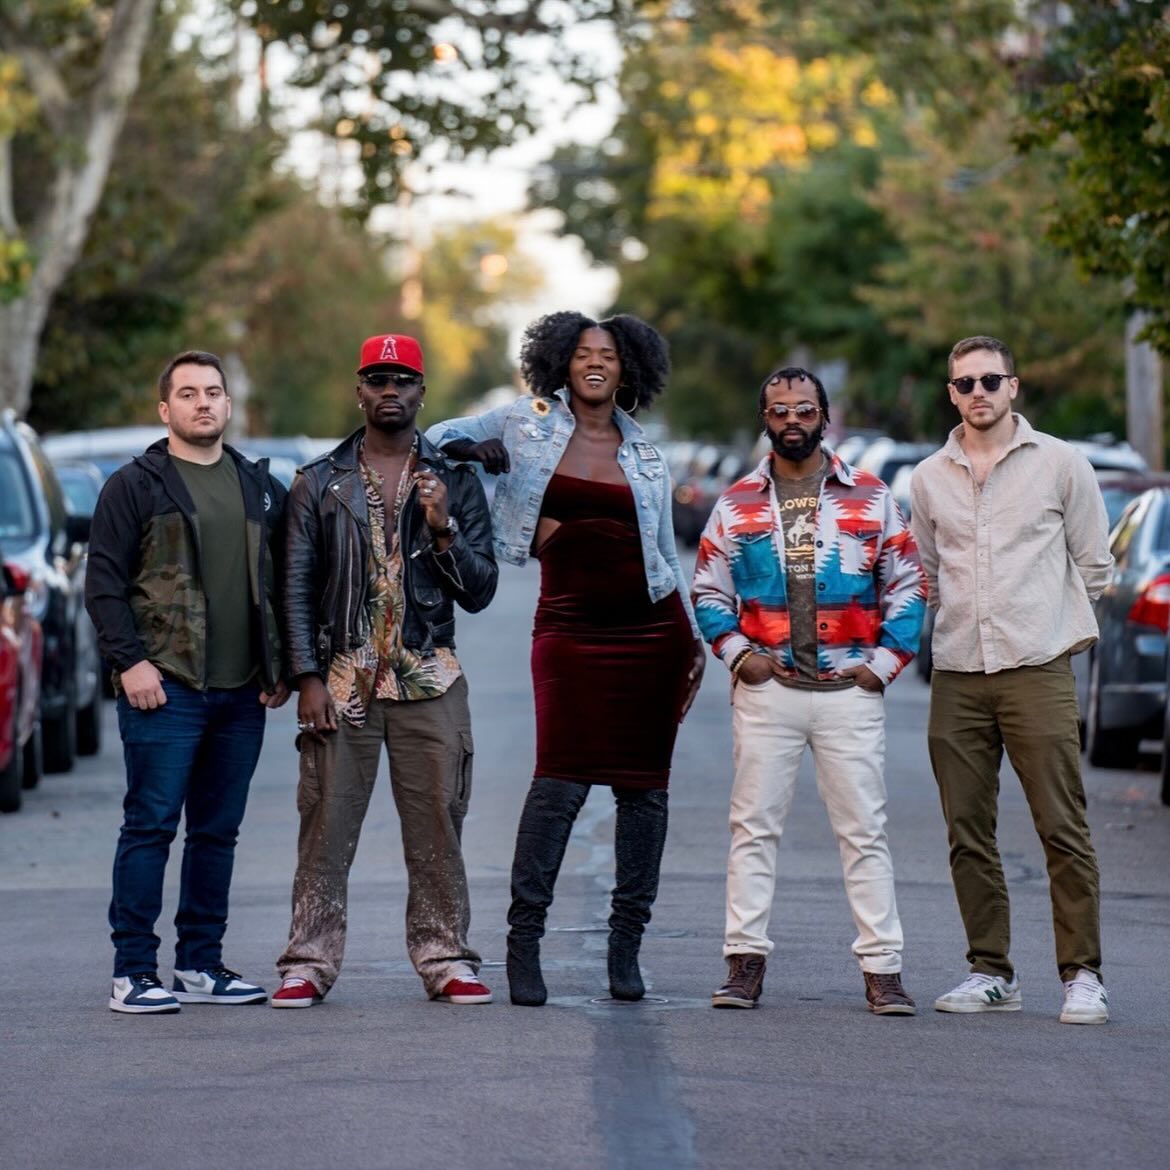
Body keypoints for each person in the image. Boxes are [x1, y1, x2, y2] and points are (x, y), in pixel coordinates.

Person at [427, 310, 704, 1006]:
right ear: (563, 362)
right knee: (559, 783)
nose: (595, 363)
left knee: (644, 793)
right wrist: (475, 455)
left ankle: (626, 949)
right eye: (583, 352)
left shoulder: (644, 450)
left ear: (626, 367)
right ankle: (525, 943)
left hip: (652, 631)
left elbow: (664, 552)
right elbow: (433, 441)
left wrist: (691, 635)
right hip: (570, 628)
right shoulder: (527, 422)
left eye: (608, 354)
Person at [271, 333, 498, 1009]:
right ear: (359, 390)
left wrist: (443, 528)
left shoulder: (455, 480)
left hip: (429, 674)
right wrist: (307, 677)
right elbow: (295, 586)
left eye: (403, 380)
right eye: (377, 379)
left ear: (423, 393)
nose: (390, 391)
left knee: (437, 823)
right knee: (325, 824)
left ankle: (445, 956)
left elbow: (480, 591)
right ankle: (307, 961)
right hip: (344, 679)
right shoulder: (317, 481)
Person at [691, 366, 926, 1014]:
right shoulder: (736, 504)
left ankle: (883, 971)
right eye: (779, 411)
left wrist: (882, 665)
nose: (792, 421)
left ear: (825, 415)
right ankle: (743, 965)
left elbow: (908, 583)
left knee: (864, 831)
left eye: (804, 409)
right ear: (765, 419)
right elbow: (709, 588)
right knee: (753, 830)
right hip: (769, 690)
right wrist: (740, 655)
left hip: (850, 689)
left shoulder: (873, 498)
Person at [910, 335, 1114, 1024]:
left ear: (1014, 387)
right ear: (951, 394)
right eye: (965, 384)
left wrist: (1053, 632)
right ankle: (990, 971)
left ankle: (1083, 974)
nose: (978, 394)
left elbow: (1094, 565)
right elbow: (927, 575)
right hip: (960, 672)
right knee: (966, 828)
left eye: (990, 381)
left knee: (1063, 826)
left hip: (1037, 667)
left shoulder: (1061, 463)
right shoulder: (928, 476)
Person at [87, 350, 289, 1014]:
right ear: (165, 409)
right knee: (150, 825)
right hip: (164, 687)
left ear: (229, 406)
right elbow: (104, 586)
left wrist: (279, 664)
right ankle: (133, 972)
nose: (202, 403)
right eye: (188, 393)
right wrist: (130, 662)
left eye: (213, 392)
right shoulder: (136, 485)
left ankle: (200, 964)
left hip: (241, 692)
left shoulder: (260, 487)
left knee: (216, 831)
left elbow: (288, 583)